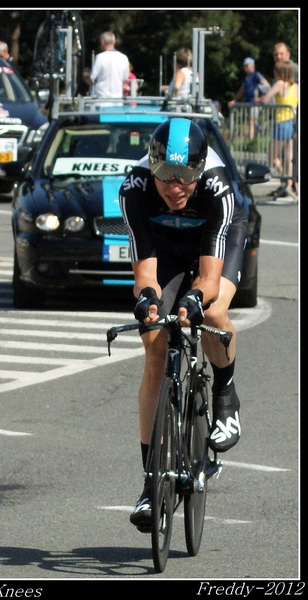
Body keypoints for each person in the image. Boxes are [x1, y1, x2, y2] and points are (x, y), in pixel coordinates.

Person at [118, 118, 246, 532]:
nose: (176, 187)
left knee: (209, 313)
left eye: (186, 177)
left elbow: (208, 279)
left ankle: (225, 396)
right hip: (165, 246)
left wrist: (195, 296)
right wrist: (146, 301)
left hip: (214, 243)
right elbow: (145, 275)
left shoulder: (216, 187)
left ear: (199, 170)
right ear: (153, 168)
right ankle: (151, 483)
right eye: (167, 178)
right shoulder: (135, 188)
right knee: (154, 342)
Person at [255, 61, 298, 200]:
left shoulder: (280, 83)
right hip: (291, 122)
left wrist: (261, 100)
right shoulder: (295, 86)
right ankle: (290, 182)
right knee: (288, 157)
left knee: (272, 156)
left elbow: (267, 99)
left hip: (281, 123)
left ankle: (286, 179)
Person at [227, 57, 271, 141]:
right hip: (249, 103)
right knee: (252, 121)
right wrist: (235, 100)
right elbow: (242, 90)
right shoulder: (246, 78)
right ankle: (260, 130)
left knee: (251, 120)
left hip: (255, 103)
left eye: (246, 66)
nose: (245, 68)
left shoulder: (257, 75)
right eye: (244, 66)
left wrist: (260, 98)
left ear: (252, 66)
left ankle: (251, 140)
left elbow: (267, 87)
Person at [82, 31, 129, 100]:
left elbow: (91, 78)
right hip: (118, 100)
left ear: (102, 42)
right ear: (114, 42)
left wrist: (85, 74)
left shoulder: (100, 57)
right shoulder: (124, 58)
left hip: (101, 100)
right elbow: (125, 79)